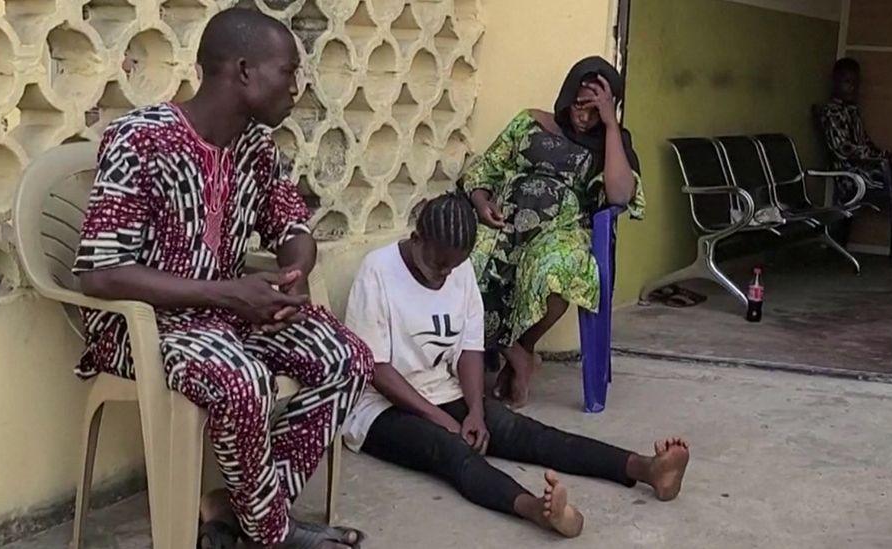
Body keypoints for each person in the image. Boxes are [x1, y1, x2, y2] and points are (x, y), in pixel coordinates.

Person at [73, 9, 372, 549]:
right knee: (243, 378)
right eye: (287, 72)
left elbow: (292, 226)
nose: (297, 89)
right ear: (243, 71)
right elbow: (100, 273)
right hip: (141, 329)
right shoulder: (141, 139)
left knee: (347, 358)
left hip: (225, 317)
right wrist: (229, 292)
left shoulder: (255, 147)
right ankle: (273, 534)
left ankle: (236, 512)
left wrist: (294, 274)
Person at [342, 194, 689, 539]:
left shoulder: (459, 270)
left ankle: (645, 467)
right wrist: (443, 420)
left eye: (452, 266)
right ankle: (536, 509)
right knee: (450, 450)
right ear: (417, 239)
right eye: (437, 265)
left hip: (440, 390)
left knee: (518, 430)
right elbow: (376, 369)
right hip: (378, 409)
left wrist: (475, 410)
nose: (444, 275)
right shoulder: (378, 270)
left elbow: (469, 349)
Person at [460, 57, 645, 408]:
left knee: (557, 269)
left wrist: (610, 126)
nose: (584, 117)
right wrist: (482, 201)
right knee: (467, 260)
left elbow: (620, 195)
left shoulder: (612, 143)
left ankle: (521, 348)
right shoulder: (530, 122)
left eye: (596, 110)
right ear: (567, 95)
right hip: (504, 221)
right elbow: (486, 170)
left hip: (560, 231)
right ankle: (493, 353)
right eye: (580, 106)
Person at [819, 57, 892, 204]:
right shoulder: (831, 112)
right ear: (835, 82)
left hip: (867, 169)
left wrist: (888, 156)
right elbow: (846, 150)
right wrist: (884, 157)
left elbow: (865, 143)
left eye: (856, 83)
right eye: (847, 82)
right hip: (852, 176)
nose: (852, 87)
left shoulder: (852, 110)